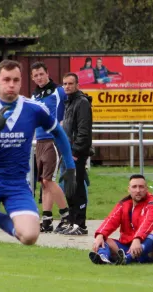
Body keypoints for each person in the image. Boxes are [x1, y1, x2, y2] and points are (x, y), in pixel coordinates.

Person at [0, 60, 76, 292]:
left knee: (30, 237)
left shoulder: (33, 108)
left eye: (15, 80)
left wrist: (70, 164)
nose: (11, 85)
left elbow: (58, 132)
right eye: (6, 80)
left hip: (16, 183)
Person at [91, 174, 153, 265]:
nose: (138, 190)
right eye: (134, 187)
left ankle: (127, 258)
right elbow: (111, 220)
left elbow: (148, 224)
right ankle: (103, 258)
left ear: (146, 189)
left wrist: (137, 239)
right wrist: (100, 235)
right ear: (129, 189)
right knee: (104, 239)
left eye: (141, 187)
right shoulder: (124, 204)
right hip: (131, 246)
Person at [30, 61, 70, 233]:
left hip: (54, 140)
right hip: (39, 141)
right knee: (44, 183)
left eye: (41, 74)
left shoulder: (58, 91)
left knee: (49, 180)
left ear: (47, 73)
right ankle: (47, 220)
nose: (39, 77)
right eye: (35, 75)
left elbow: (71, 108)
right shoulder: (34, 96)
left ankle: (67, 216)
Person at [59, 72, 93, 235]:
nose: (67, 86)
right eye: (64, 84)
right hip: (67, 152)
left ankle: (80, 225)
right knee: (69, 188)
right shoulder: (69, 103)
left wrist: (75, 152)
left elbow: (83, 131)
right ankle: (72, 222)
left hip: (76, 153)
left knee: (78, 188)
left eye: (70, 83)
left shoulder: (82, 102)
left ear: (77, 85)